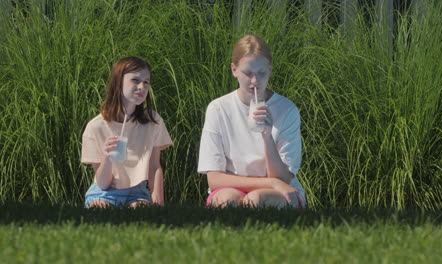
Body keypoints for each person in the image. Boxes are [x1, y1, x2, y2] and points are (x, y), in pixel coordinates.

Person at [198, 34, 306, 208]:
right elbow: (214, 180)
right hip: (233, 188)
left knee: (255, 200)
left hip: (280, 191)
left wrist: (267, 135)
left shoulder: (287, 109)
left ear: (270, 70)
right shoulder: (218, 109)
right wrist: (270, 183)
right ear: (234, 70)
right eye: (247, 73)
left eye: (261, 73)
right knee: (227, 200)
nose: (255, 81)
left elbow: (283, 179)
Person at [81, 56, 172, 208]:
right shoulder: (96, 127)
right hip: (103, 192)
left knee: (139, 210)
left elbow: (154, 167)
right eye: (135, 80)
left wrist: (158, 204)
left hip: (137, 192)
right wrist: (107, 157)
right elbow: (103, 184)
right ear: (118, 82)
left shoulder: (153, 121)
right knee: (100, 208)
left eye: (146, 82)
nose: (142, 86)